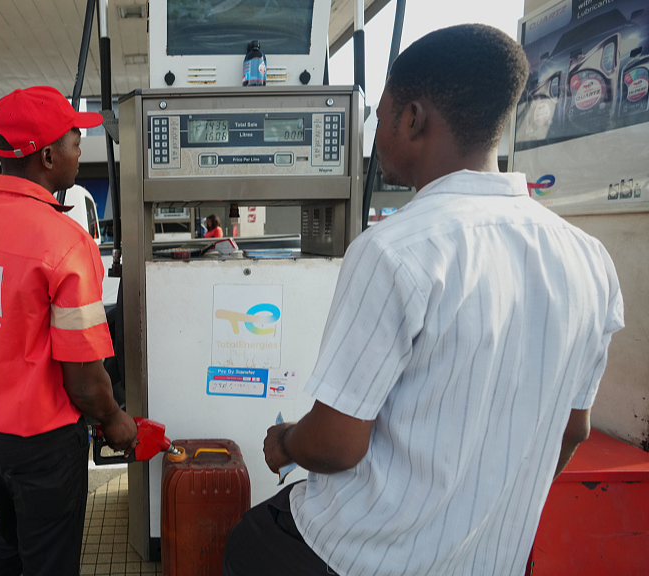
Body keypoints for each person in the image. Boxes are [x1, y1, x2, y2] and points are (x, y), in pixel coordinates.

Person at [222, 24, 624, 576]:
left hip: (358, 556)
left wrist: (286, 442)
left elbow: (336, 446)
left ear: (412, 118)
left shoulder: (394, 250)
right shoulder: (590, 260)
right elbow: (571, 431)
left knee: (245, 543)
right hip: (494, 560)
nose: (377, 135)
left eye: (382, 118)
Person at [0, 85, 138, 576]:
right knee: (49, 556)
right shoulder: (67, 244)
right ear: (48, 156)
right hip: (41, 444)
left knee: (10, 530)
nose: (79, 148)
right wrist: (114, 420)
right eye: (73, 140)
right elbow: (84, 379)